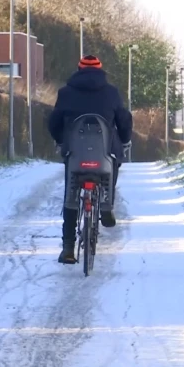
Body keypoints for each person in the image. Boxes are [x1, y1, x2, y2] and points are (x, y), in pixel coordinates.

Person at [48, 55, 133, 264]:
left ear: (78, 70)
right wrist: (124, 140)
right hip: (104, 153)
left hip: (75, 154)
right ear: (101, 70)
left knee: (71, 195)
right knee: (113, 162)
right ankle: (106, 203)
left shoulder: (65, 93)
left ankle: (68, 248)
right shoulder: (111, 93)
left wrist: (60, 140)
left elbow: (54, 121)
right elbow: (124, 120)